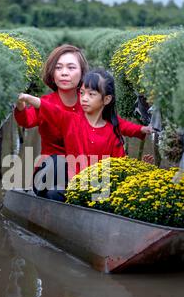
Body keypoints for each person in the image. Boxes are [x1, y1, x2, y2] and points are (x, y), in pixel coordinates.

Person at [18, 68, 153, 199]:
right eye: (82, 93)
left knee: (59, 193)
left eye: (91, 94)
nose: (84, 98)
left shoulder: (112, 133)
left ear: (106, 99)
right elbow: (51, 109)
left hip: (96, 190)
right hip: (73, 185)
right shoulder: (71, 120)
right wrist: (27, 98)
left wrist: (142, 167)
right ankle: (40, 196)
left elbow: (121, 167)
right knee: (55, 165)